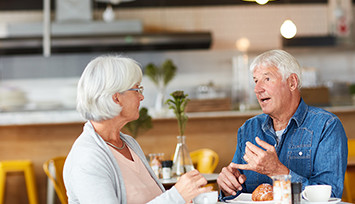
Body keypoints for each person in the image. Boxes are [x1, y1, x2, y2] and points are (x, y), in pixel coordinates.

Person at [63, 55, 212, 204]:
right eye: (136, 89)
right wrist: (177, 196)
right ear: (116, 98)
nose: (141, 97)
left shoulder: (128, 143)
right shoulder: (87, 158)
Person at [217, 49, 348, 201]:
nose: (257, 89)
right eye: (255, 80)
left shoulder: (327, 126)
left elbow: (330, 196)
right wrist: (228, 188)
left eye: (267, 79)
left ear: (292, 82)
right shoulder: (248, 129)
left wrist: (277, 171)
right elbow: (239, 194)